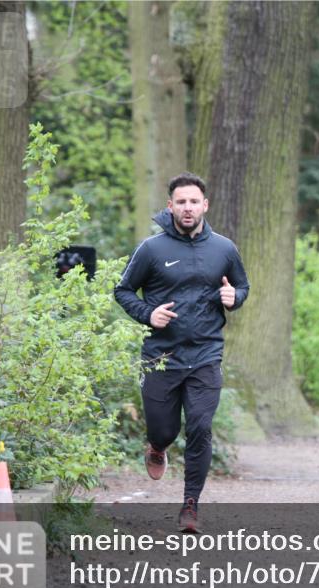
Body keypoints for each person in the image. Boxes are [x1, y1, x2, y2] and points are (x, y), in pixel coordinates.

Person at [114, 172, 250, 533]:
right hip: (161, 356)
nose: (187, 208)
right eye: (181, 202)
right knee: (164, 429)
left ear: (205, 205)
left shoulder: (224, 248)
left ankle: (191, 505)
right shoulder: (152, 249)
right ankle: (157, 445)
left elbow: (242, 285)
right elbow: (124, 290)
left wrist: (233, 298)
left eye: (194, 201)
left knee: (202, 427)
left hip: (206, 354)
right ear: (170, 206)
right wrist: (148, 314)